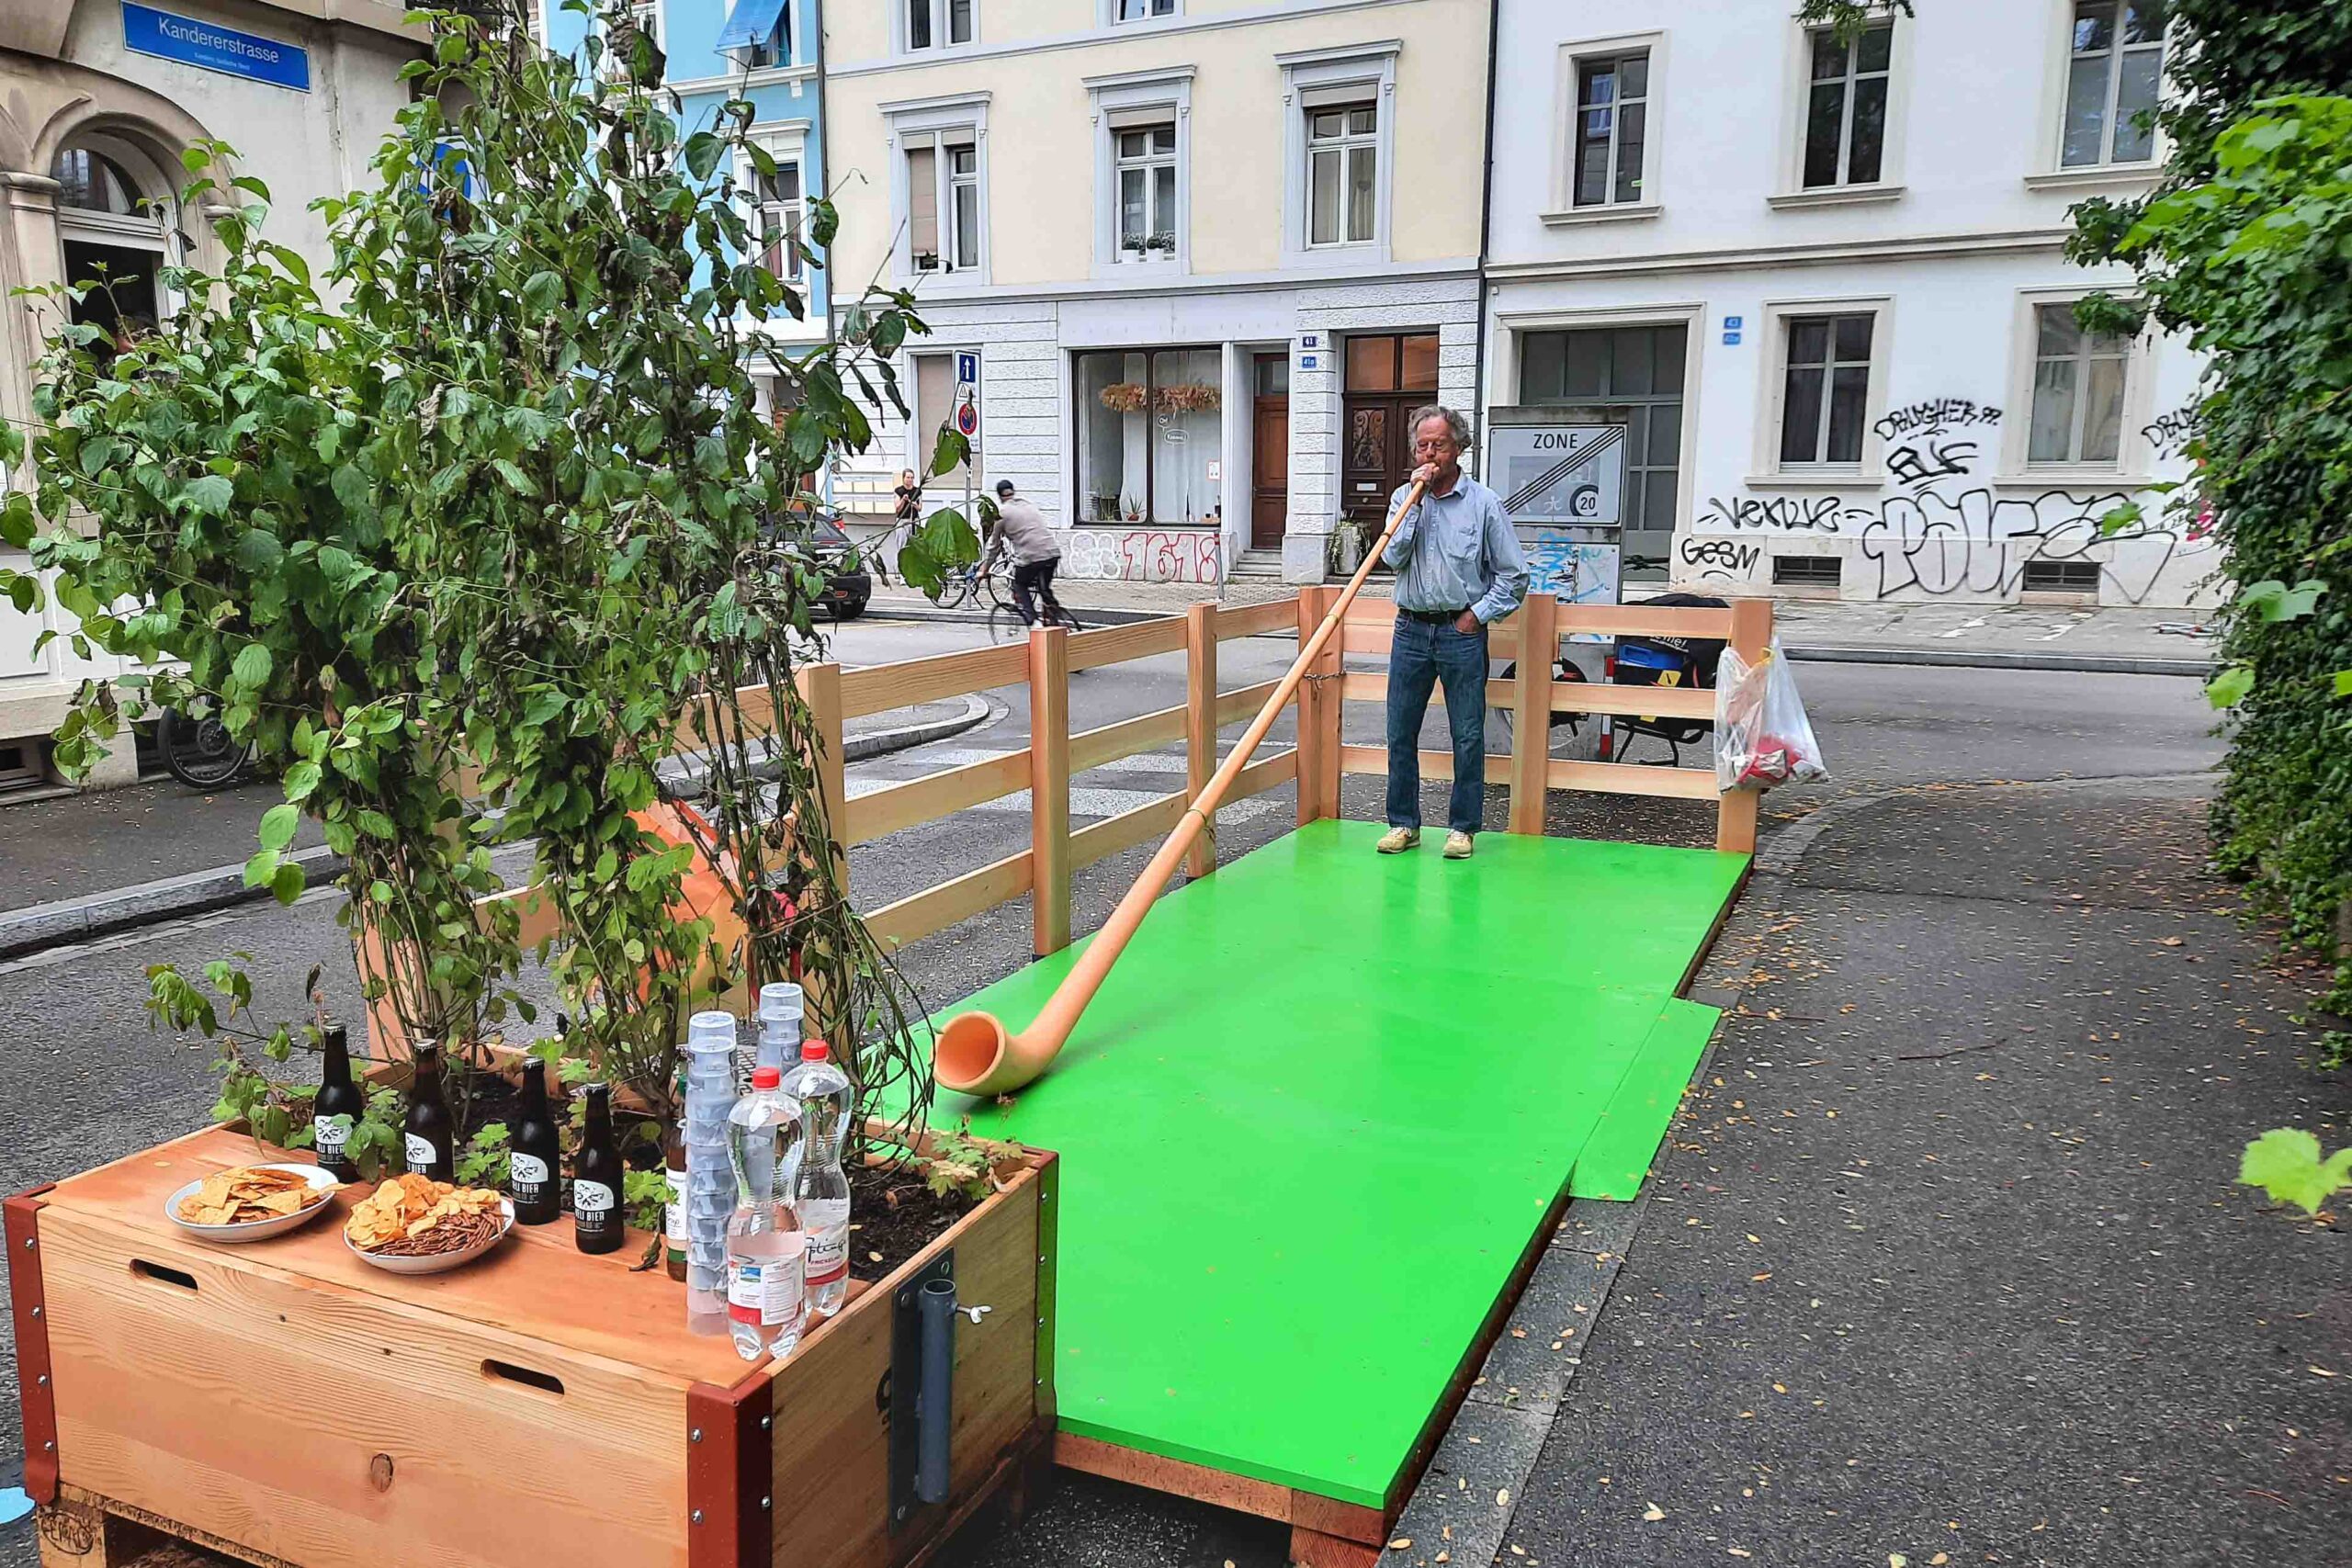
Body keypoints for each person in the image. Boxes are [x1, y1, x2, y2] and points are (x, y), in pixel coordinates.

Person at [1375, 406, 1529, 861]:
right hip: (1410, 629)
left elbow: (1514, 575)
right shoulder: (1405, 496)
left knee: (1466, 734)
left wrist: (1477, 616)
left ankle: (1462, 828)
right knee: (1400, 731)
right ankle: (1404, 824)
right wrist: (1415, 503)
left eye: (1438, 445)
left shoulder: (1483, 504)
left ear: (1458, 448)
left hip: (1460, 632)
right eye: (1422, 445)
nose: (1429, 453)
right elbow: (1392, 557)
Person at [982, 479, 1068, 626]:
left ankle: (1033, 622)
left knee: (1020, 584)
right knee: (1044, 589)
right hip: (1052, 552)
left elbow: (994, 547)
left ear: (1000, 496)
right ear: (1013, 492)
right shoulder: (1028, 505)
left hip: (1031, 556)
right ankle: (1055, 617)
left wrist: (984, 569)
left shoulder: (1001, 514)